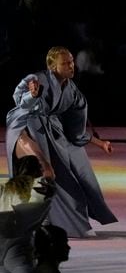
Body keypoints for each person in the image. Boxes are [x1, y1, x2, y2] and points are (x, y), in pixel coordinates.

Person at [5, 46, 117, 238]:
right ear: (52, 66)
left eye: (72, 61)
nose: (71, 66)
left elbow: (75, 126)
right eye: (65, 63)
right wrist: (31, 95)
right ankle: (36, 219)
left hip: (51, 131)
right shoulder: (38, 79)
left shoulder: (71, 89)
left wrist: (99, 143)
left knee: (76, 177)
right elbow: (20, 101)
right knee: (45, 170)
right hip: (25, 126)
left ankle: (58, 221)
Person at [1, 156, 55, 273]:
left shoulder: (6, 185)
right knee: (22, 270)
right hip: (17, 239)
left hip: (4, 233)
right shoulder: (39, 184)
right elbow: (40, 200)